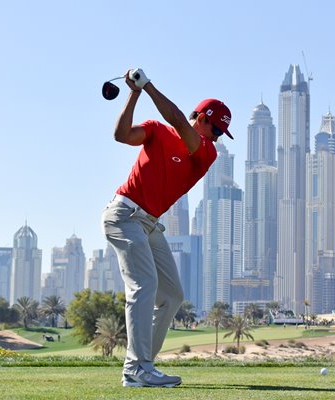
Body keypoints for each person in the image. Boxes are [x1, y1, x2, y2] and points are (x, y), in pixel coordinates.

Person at [102, 68, 233, 388]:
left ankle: (145, 363)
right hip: (124, 215)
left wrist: (147, 86)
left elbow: (176, 119)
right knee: (143, 285)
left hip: (149, 224)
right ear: (201, 118)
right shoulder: (155, 130)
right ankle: (137, 368)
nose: (216, 137)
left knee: (172, 295)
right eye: (215, 128)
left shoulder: (205, 151)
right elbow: (121, 135)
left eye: (219, 133)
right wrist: (134, 92)